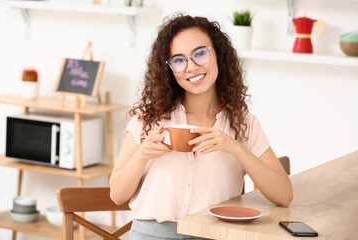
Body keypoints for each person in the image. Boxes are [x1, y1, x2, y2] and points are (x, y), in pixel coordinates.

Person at [109, 13, 293, 240]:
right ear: (168, 69)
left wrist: (236, 148)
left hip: (216, 235)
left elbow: (284, 195)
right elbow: (117, 195)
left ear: (218, 53)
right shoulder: (149, 119)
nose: (191, 67)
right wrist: (142, 155)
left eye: (200, 54)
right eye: (178, 59)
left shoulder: (244, 124)